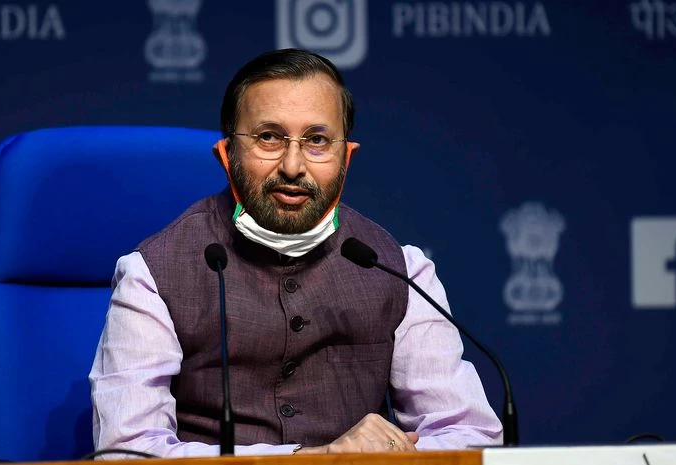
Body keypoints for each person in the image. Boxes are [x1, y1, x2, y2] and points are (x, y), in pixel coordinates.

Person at [89, 48, 502, 458]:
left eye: (317, 141)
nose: (292, 165)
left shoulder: (400, 269)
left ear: (347, 155)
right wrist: (311, 460)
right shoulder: (154, 273)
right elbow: (128, 453)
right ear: (227, 153)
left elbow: (469, 433)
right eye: (268, 137)